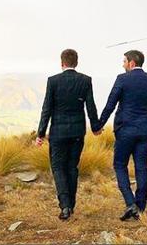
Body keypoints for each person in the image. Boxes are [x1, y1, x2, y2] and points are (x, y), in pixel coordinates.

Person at [36, 49, 101, 220]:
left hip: (58, 133)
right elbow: (91, 106)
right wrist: (95, 126)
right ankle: (70, 204)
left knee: (58, 168)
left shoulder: (53, 81)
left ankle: (65, 206)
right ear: (76, 63)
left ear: (62, 63)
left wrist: (40, 133)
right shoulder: (85, 80)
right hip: (77, 132)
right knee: (72, 167)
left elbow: (47, 109)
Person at [96, 50, 147, 221]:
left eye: (124, 61)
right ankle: (140, 206)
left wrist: (98, 125)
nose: (122, 64)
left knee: (120, 165)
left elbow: (110, 104)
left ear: (131, 63)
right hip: (144, 130)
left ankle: (130, 203)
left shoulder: (122, 79)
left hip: (125, 131)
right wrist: (146, 124)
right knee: (141, 167)